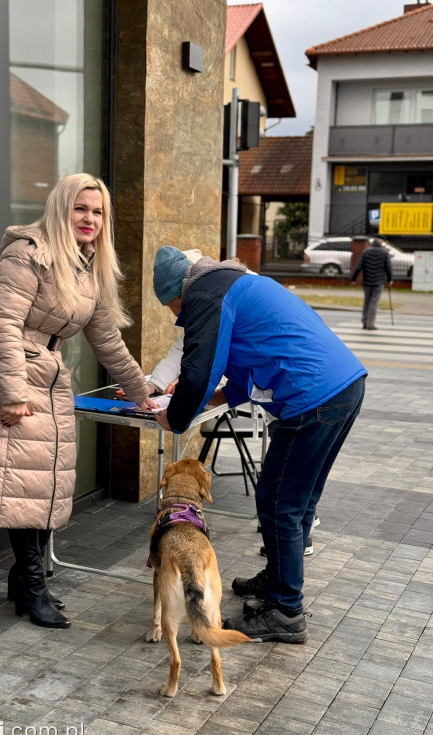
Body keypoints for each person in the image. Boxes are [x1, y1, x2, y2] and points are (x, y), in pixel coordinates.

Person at [0, 174, 156, 629]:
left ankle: (24, 581)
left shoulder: (87, 265)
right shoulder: (29, 253)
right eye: (81, 209)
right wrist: (13, 394)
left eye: (98, 212)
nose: (90, 219)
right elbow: (2, 323)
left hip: (46, 373)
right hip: (7, 375)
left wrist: (144, 393)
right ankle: (33, 587)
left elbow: (107, 340)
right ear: (62, 209)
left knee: (44, 483)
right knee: (24, 486)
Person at [152, 246, 367, 643]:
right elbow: (241, 367)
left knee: (277, 501)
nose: (177, 316)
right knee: (298, 500)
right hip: (343, 386)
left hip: (311, 397)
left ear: (178, 292)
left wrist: (175, 417)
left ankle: (285, 611)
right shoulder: (235, 284)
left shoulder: (205, 295)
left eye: (173, 307)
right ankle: (278, 579)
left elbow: (199, 372)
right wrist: (212, 398)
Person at [350, 238, 393, 331]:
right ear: (380, 242)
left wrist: (353, 278)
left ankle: (364, 321)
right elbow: (388, 267)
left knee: (367, 301)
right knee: (374, 302)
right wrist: (390, 279)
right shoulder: (384, 252)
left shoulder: (366, 252)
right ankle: (370, 323)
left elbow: (359, 266)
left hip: (367, 280)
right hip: (378, 281)